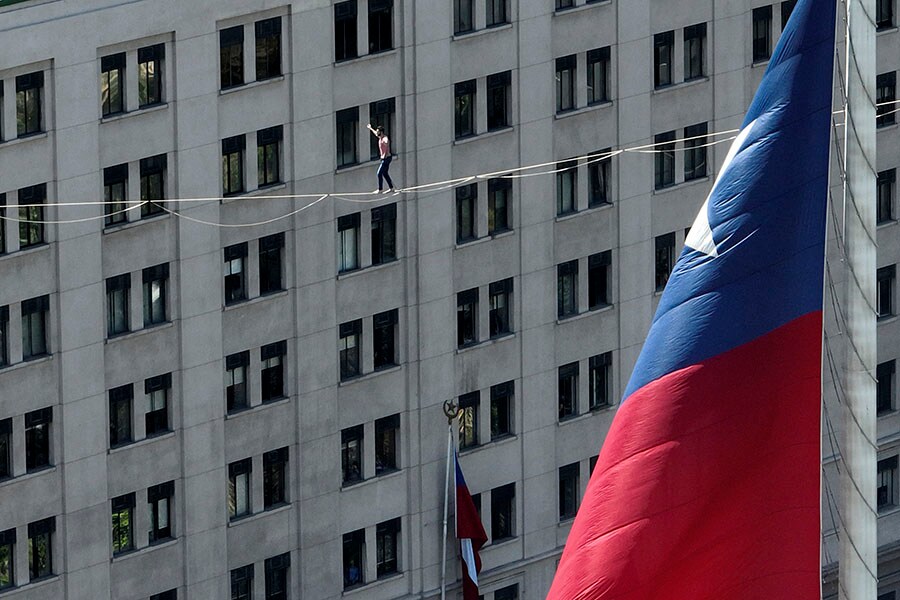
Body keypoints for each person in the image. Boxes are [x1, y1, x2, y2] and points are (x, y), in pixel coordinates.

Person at [367, 123, 395, 193]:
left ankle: (380, 189)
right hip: (386, 158)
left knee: (379, 173)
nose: (377, 133)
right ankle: (391, 188)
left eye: (378, 131)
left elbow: (386, 141)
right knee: (385, 173)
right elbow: (375, 133)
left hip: (386, 158)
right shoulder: (380, 137)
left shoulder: (384, 138)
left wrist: (386, 143)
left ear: (381, 132)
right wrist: (370, 128)